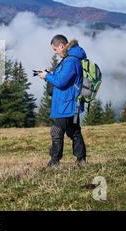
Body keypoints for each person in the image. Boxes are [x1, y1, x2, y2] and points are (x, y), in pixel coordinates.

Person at [38, 34, 87, 168]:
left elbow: (61, 82)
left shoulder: (71, 60)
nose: (56, 52)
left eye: (55, 49)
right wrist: (50, 73)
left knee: (56, 131)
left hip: (66, 104)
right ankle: (81, 160)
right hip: (72, 103)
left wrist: (47, 76)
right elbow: (63, 77)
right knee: (74, 131)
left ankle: (54, 162)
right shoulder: (71, 58)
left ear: (61, 46)